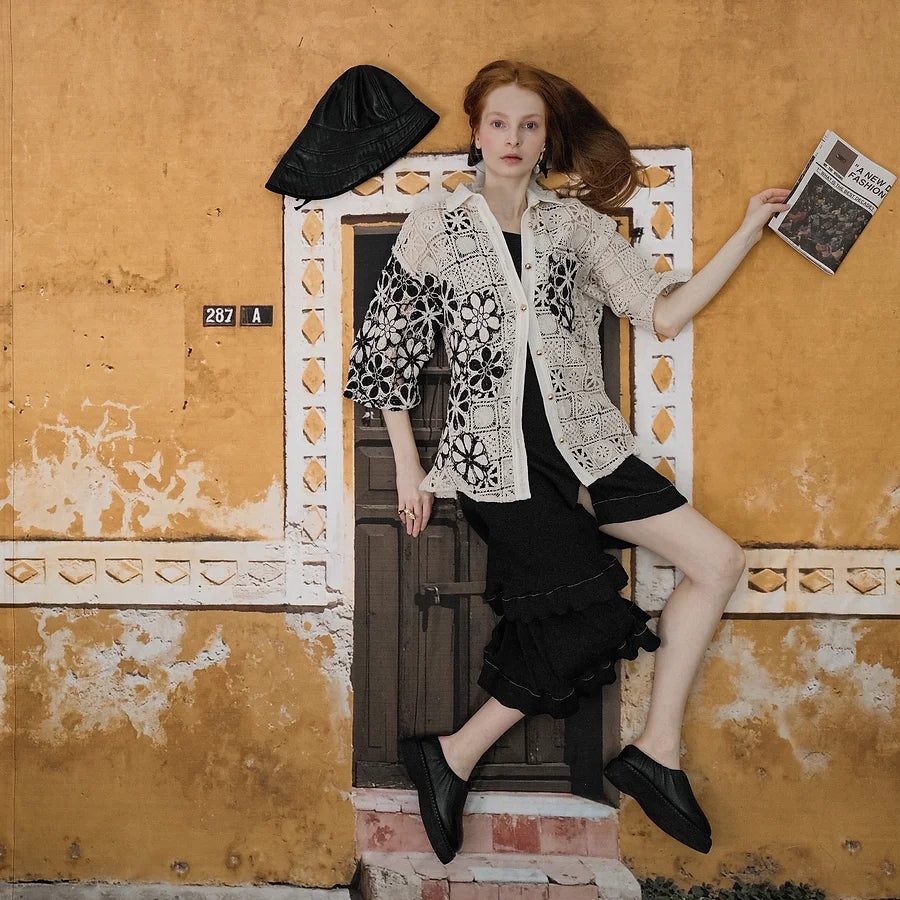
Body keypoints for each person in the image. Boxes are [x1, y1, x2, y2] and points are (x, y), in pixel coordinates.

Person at [343, 59, 791, 862]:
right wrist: (410, 469)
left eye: (529, 124)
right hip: (498, 466)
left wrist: (749, 232)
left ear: (547, 136)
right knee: (585, 620)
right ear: (476, 131)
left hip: (591, 447)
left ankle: (652, 752)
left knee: (719, 563)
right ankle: (453, 757)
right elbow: (385, 357)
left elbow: (660, 313)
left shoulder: (577, 228)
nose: (513, 138)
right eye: (498, 123)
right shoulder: (436, 225)